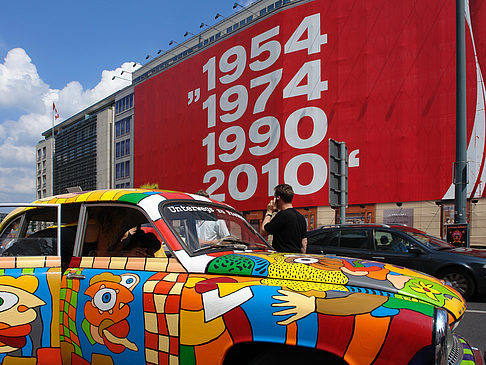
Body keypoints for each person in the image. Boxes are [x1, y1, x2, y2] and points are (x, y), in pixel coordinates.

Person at [261, 184, 307, 253]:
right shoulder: (301, 217)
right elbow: (304, 244)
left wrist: (269, 211)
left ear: (278, 198)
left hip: (281, 258)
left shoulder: (282, 215)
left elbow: (263, 231)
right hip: (295, 258)